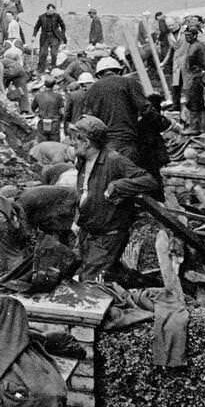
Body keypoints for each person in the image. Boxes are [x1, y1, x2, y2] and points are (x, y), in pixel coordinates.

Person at [70, 115, 158, 282]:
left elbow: (149, 181)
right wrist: (77, 219)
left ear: (87, 142)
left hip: (107, 236)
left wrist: (118, 186)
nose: (72, 143)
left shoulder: (114, 160)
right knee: (78, 273)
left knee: (90, 282)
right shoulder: (82, 160)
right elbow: (84, 192)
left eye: (76, 139)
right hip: (87, 232)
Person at [81, 55, 148, 163]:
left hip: (104, 143)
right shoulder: (130, 83)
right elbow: (146, 108)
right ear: (119, 71)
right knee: (128, 175)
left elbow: (88, 120)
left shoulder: (91, 90)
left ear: (99, 75)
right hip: (127, 140)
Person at [180, 25, 205, 133]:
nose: (187, 38)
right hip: (198, 76)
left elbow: (192, 61)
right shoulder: (197, 45)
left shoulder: (195, 47)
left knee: (194, 101)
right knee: (199, 102)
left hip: (196, 77)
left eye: (189, 35)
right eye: (186, 35)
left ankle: (194, 126)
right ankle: (202, 126)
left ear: (195, 35)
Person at [33, 3, 66, 72]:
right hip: (45, 37)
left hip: (54, 36)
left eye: (53, 10)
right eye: (50, 10)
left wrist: (62, 35)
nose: (52, 12)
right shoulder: (41, 17)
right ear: (47, 10)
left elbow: (63, 26)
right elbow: (36, 27)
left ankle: (53, 67)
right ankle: (41, 68)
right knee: (43, 53)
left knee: (54, 53)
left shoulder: (57, 16)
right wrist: (34, 36)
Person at [33, 75, 64, 142]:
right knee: (55, 145)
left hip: (42, 122)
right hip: (54, 123)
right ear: (54, 85)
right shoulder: (58, 97)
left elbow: (32, 108)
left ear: (44, 84)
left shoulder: (38, 95)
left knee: (42, 145)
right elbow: (62, 111)